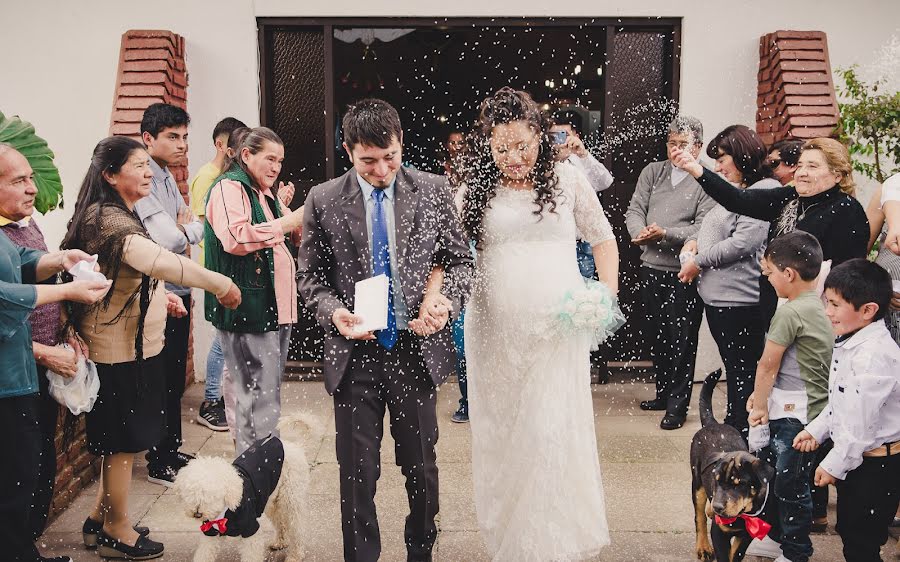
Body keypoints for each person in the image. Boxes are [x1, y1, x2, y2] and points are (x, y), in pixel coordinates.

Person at [297, 98, 473, 561]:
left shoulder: (433, 190)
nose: (381, 169)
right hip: (355, 356)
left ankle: (421, 551)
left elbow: (461, 262)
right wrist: (334, 312)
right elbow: (310, 278)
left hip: (416, 353)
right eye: (368, 160)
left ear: (401, 142)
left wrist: (443, 298)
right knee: (357, 475)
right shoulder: (323, 198)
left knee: (421, 470)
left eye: (390, 156)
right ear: (348, 149)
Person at [62, 136, 240, 560]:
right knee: (121, 444)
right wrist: (220, 282)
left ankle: (98, 519)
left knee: (120, 443)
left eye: (147, 165)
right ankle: (117, 531)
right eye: (138, 165)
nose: (148, 172)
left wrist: (165, 298)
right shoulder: (106, 218)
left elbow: (135, 275)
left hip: (131, 347)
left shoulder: (119, 212)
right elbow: (158, 260)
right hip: (115, 351)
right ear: (110, 174)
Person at [460, 87, 618, 559]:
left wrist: (604, 296)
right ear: (487, 144)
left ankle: (552, 541)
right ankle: (512, 539)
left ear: (539, 136)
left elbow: (603, 240)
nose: (513, 157)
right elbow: (446, 255)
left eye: (522, 145)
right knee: (505, 430)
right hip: (494, 331)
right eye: (501, 147)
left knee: (551, 427)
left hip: (556, 328)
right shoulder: (471, 186)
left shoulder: (567, 177)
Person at [0, 143, 111, 562]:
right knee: (12, 484)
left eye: (32, 177)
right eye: (19, 180)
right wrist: (67, 288)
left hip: (18, 378)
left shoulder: (12, 229)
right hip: (6, 383)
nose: (32, 188)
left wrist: (62, 258)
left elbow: (26, 261)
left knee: (26, 475)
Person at [672, 137, 870, 326]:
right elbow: (737, 199)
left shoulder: (847, 210)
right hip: (775, 310)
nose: (801, 172)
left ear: (837, 175)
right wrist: (696, 170)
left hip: (813, 317)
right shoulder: (790, 197)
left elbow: (847, 273)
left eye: (812, 166)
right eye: (800, 165)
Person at [204, 127, 303, 456]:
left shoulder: (265, 192)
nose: (276, 167)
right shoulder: (229, 187)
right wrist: (289, 223)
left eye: (280, 161)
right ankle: (252, 471)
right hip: (249, 308)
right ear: (246, 155)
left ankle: (262, 465)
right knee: (253, 397)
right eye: (270, 159)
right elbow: (235, 237)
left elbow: (287, 232)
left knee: (267, 394)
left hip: (275, 309)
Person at [793, 259, 900, 562]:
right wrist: (816, 430)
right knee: (853, 533)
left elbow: (859, 427)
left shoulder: (872, 358)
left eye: (836, 305)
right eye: (827, 302)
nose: (828, 311)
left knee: (861, 543)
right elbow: (841, 403)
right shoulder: (852, 339)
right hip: (861, 461)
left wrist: (831, 466)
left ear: (868, 310)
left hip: (877, 466)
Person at [678, 125, 779, 441]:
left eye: (722, 159)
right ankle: (737, 431)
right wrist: (695, 241)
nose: (719, 168)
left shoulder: (763, 189)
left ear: (742, 155)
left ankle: (743, 437)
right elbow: (717, 228)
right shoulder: (742, 188)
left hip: (740, 302)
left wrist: (699, 261)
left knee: (742, 374)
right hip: (722, 300)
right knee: (735, 370)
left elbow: (743, 243)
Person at [747, 231, 833, 562]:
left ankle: (796, 550)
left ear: (789, 274)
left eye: (768, 272)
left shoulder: (790, 312)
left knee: (790, 484)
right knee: (780, 475)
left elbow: (768, 366)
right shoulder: (818, 304)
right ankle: (774, 537)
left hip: (796, 414)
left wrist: (759, 404)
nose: (766, 278)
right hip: (805, 408)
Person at [626, 115, 715, 429]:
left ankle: (677, 406)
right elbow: (636, 207)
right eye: (672, 143)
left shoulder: (706, 179)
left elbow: (704, 226)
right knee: (658, 335)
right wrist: (639, 232)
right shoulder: (654, 172)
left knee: (682, 338)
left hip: (683, 272)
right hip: (650, 267)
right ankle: (663, 393)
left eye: (684, 144)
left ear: (698, 147)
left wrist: (666, 233)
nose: (676, 150)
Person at [132, 103, 205, 485]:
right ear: (148, 139)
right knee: (159, 378)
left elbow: (183, 224)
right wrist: (188, 230)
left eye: (184, 137)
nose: (181, 145)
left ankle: (171, 447)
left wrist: (185, 228)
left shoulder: (167, 177)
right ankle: (158, 460)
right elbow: (171, 236)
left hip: (177, 286)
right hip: (158, 292)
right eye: (172, 137)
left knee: (174, 377)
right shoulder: (143, 178)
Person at [188, 116, 246, 432]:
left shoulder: (231, 176)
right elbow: (204, 228)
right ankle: (211, 402)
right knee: (222, 337)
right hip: (215, 268)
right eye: (234, 145)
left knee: (225, 335)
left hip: (227, 268)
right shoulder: (207, 177)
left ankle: (217, 399)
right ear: (220, 144)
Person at [551, 111, 615, 280]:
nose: (560, 140)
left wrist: (583, 154)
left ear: (575, 136)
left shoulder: (581, 160)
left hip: (583, 244)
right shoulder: (545, 164)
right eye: (554, 135)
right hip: (557, 245)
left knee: (585, 294)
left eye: (564, 134)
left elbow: (605, 182)